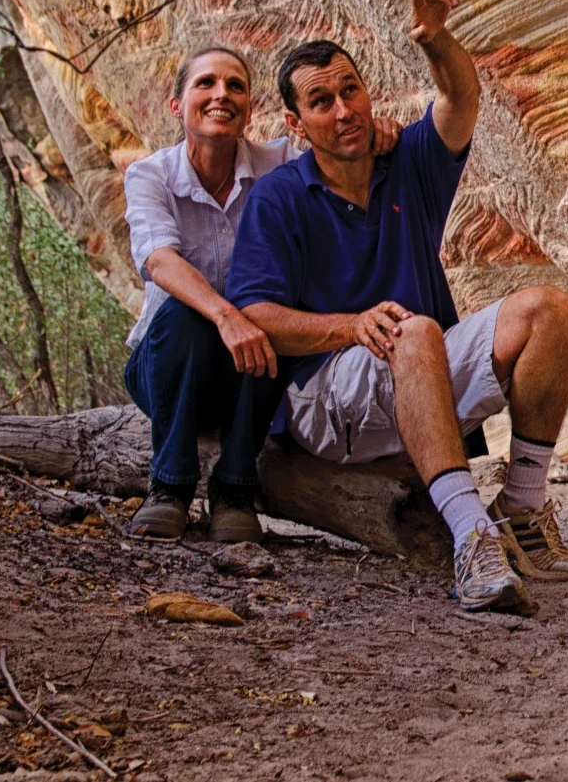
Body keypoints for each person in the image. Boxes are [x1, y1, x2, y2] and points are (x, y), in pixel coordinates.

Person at [226, 0, 568, 615]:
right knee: (412, 330)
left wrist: (434, 39)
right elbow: (255, 314)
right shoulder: (279, 196)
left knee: (549, 309)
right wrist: (349, 326)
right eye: (321, 102)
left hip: (418, 374)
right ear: (295, 123)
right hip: (327, 400)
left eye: (350, 90)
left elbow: (460, 98)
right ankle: (471, 540)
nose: (344, 111)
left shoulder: (408, 163)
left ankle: (522, 509)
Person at [121, 46, 400, 541]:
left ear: (249, 110)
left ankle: (234, 488)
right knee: (190, 317)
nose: (221, 95)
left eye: (236, 86)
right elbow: (159, 260)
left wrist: (373, 133)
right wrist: (227, 316)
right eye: (206, 84)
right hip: (168, 367)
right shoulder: (150, 175)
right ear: (176, 105)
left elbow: (336, 151)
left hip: (249, 376)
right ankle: (169, 486)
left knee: (275, 318)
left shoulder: (281, 164)